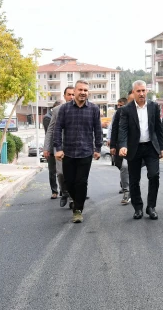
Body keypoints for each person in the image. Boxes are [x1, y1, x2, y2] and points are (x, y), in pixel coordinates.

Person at [53, 80, 103, 223]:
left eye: (85, 90)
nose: (83, 92)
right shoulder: (64, 109)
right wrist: (58, 148)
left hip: (86, 152)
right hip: (68, 152)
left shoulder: (93, 109)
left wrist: (98, 148)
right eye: (80, 89)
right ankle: (76, 201)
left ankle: (78, 210)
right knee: (69, 182)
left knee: (81, 182)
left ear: (88, 93)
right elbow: (57, 129)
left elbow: (98, 130)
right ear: (74, 91)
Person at [118, 80, 163, 220]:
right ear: (133, 92)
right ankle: (137, 208)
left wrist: (161, 147)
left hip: (151, 147)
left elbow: (158, 128)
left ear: (147, 91)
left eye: (143, 90)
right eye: (138, 91)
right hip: (134, 148)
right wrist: (123, 145)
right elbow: (123, 129)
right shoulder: (126, 109)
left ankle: (151, 207)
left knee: (154, 176)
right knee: (134, 179)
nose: (141, 93)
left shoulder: (154, 106)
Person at [43, 86, 75, 206]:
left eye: (73, 94)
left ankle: (72, 198)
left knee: (72, 174)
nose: (71, 97)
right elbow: (50, 130)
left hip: (74, 147)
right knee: (61, 173)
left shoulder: (81, 109)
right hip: (59, 147)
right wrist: (46, 147)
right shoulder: (57, 110)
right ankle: (65, 191)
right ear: (64, 96)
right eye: (69, 94)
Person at [108, 97, 130, 205]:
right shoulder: (118, 113)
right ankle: (126, 187)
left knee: (129, 167)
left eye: (121, 105)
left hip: (136, 146)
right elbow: (114, 128)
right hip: (121, 145)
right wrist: (112, 145)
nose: (119, 107)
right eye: (119, 105)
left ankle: (129, 190)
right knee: (123, 166)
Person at [43, 100, 62, 199]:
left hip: (60, 147)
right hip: (51, 147)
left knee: (61, 171)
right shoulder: (47, 117)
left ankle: (63, 190)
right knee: (52, 170)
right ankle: (54, 191)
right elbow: (50, 132)